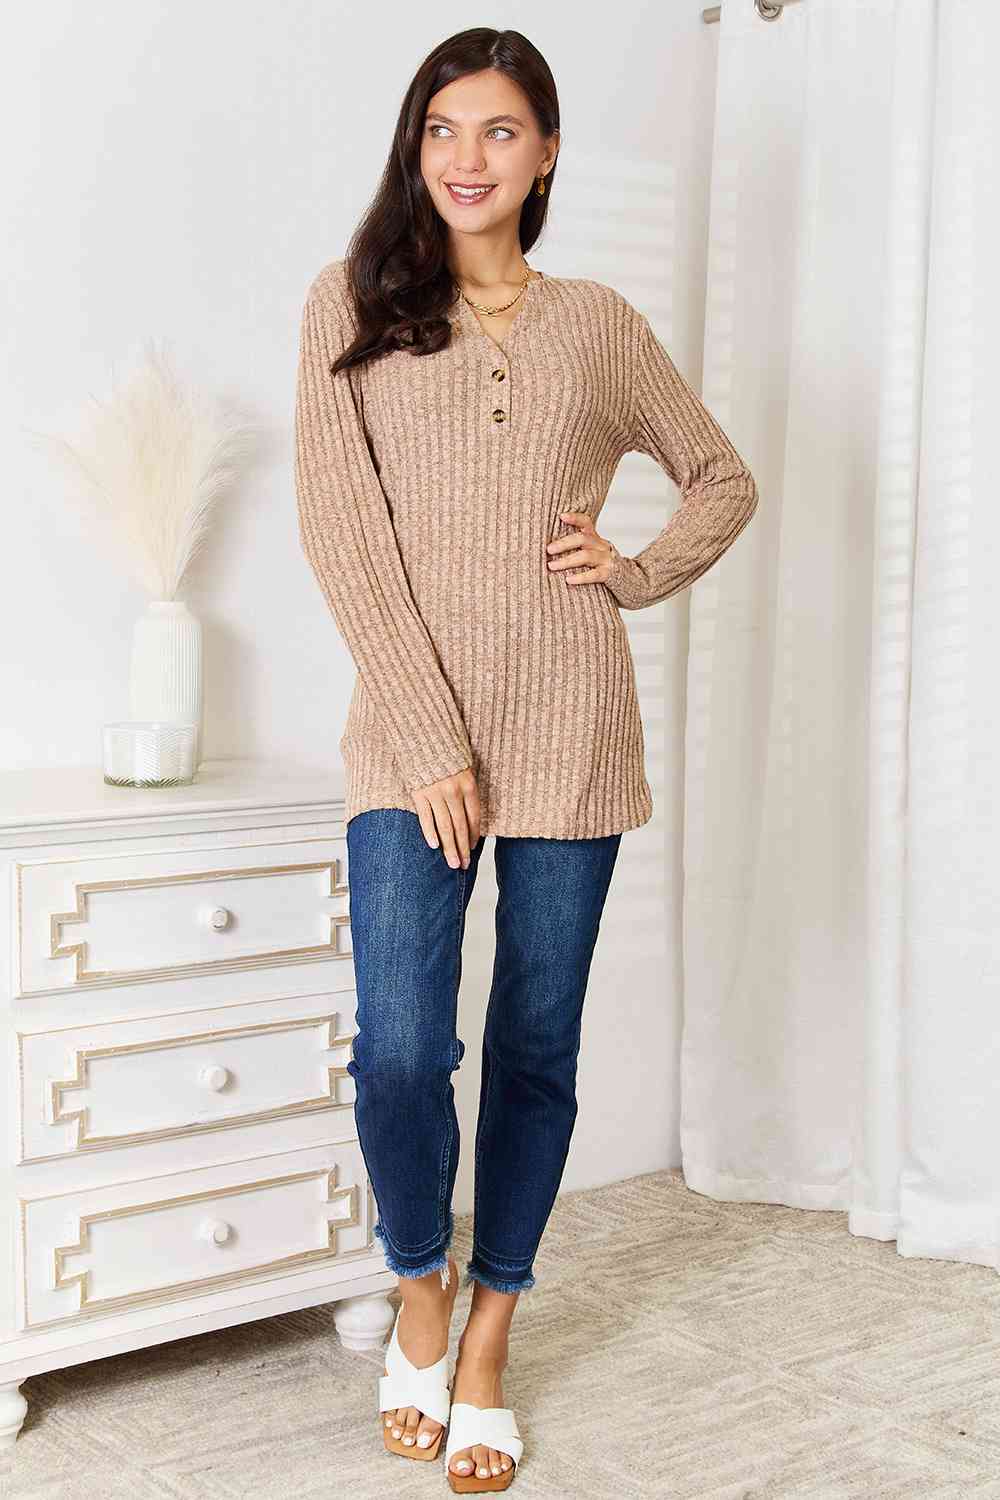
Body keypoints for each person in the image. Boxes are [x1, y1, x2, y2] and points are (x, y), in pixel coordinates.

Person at [293, 26, 758, 1492]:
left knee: (538, 1047)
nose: (468, 157)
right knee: (402, 1048)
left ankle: (490, 1336)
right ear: (414, 145)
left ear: (546, 154)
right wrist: (431, 739)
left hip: (572, 730)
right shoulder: (352, 305)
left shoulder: (598, 325)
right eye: (443, 128)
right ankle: (418, 1292)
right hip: (408, 741)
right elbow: (342, 533)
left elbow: (722, 477)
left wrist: (632, 572)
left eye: (500, 130)